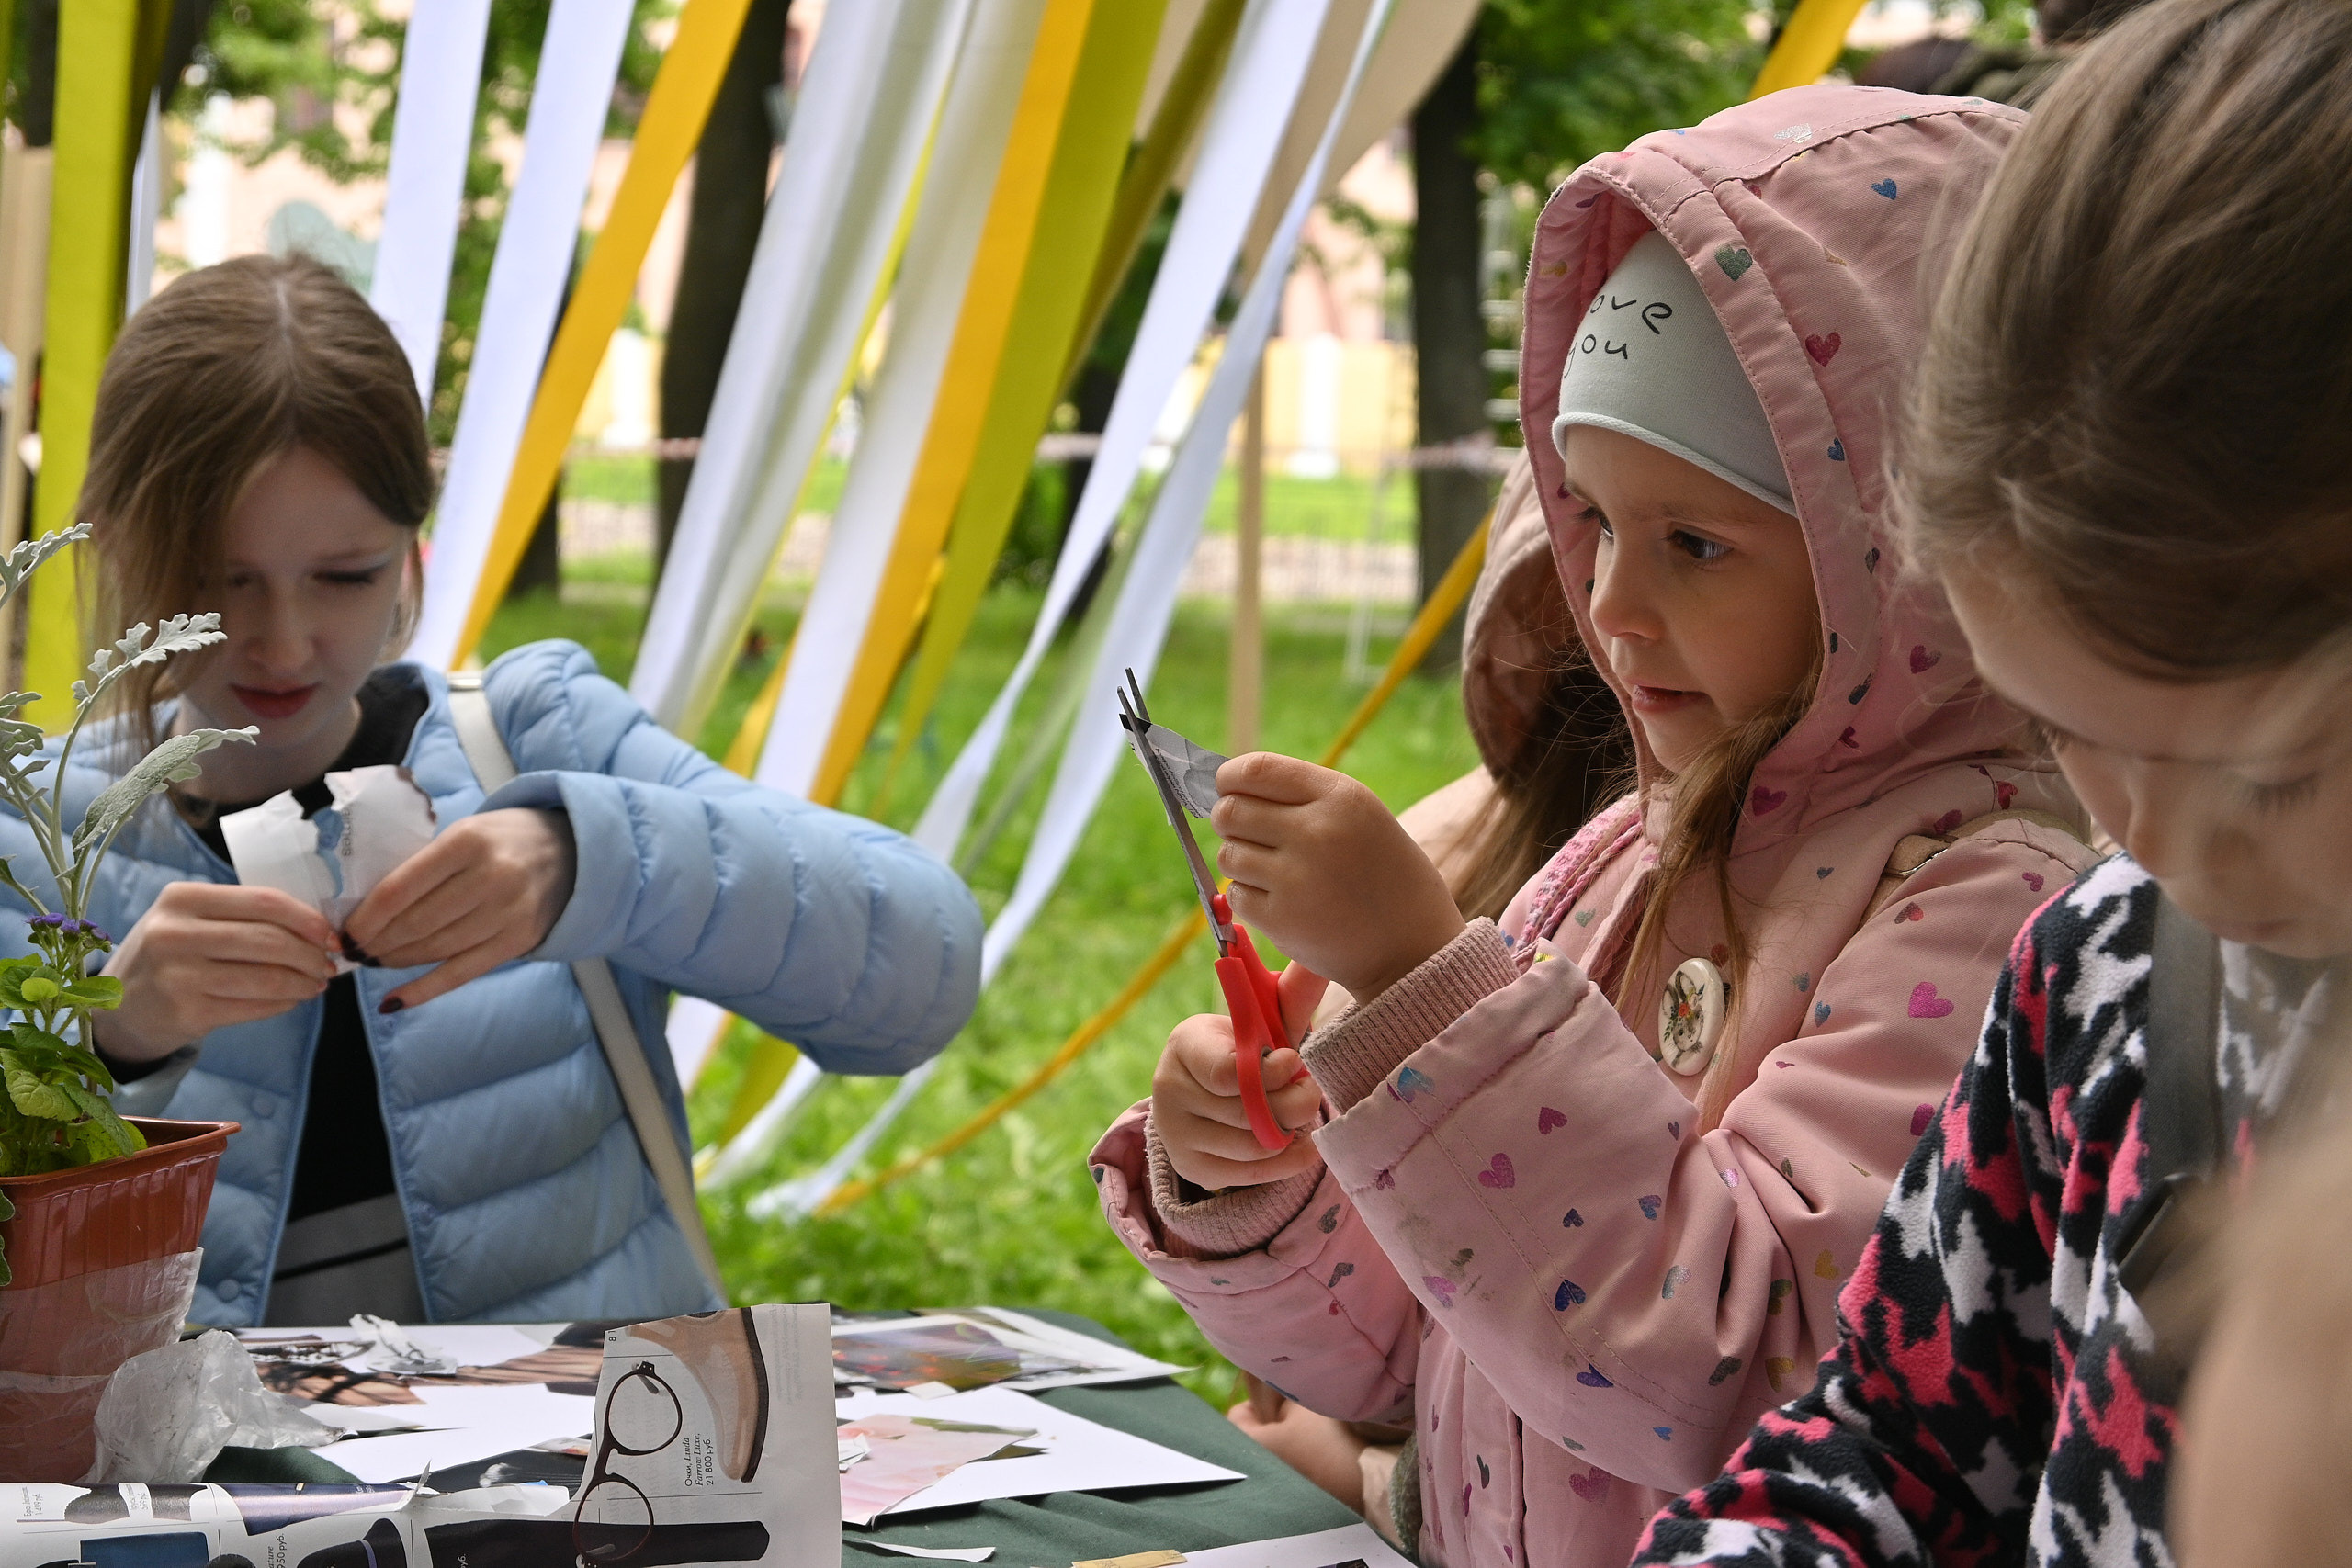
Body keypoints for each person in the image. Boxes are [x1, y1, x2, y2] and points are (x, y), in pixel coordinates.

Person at [1091, 86, 2098, 1568]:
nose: (1611, 608)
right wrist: (1263, 1190)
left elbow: (1741, 1381)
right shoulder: (1620, 858)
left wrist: (1425, 975)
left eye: (1697, 541)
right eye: (1598, 522)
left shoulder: (1981, 914)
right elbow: (1427, 1337)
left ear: (1910, 552)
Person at [1630, 2, 2352, 1562]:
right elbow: (1889, 1452)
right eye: (2069, 731)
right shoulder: (2105, 968)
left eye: (2267, 775)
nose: (2154, 840)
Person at [17, 254, 983, 1325]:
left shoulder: (526, 738)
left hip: (585, 1476)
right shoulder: (38, 835)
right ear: (116, 542)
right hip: (207, 1486)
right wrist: (109, 1035)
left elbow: (923, 975)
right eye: (218, 577)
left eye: (345, 576)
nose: (283, 640)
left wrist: (593, 858)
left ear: (412, 552)